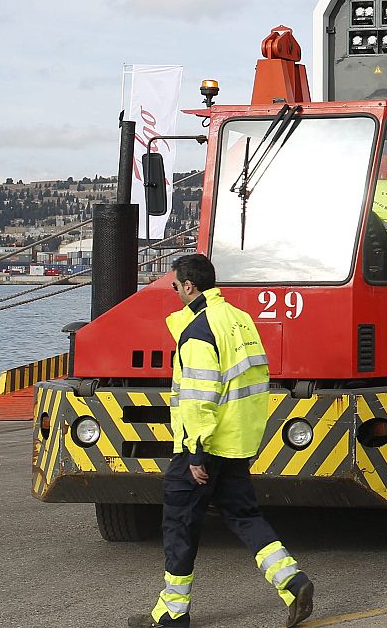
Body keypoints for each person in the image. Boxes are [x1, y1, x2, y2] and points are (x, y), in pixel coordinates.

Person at [133, 253, 313, 628]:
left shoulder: (200, 331)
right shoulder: (240, 320)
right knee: (244, 516)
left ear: (189, 286)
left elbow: (199, 396)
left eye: (175, 285)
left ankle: (173, 615)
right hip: (235, 443)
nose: (174, 291)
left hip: (203, 447)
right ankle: (292, 581)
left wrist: (196, 452)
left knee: (179, 525)